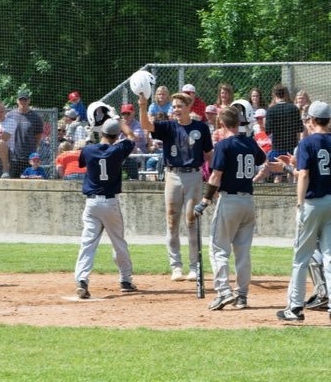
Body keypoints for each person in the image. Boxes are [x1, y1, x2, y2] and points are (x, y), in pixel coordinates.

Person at [194, 106, 266, 311]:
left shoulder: (224, 145)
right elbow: (261, 159)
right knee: (243, 251)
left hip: (229, 201)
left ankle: (224, 291)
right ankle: (242, 296)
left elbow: (215, 176)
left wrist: (205, 200)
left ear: (222, 124)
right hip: (248, 201)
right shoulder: (250, 142)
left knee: (218, 249)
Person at [139, 92, 213, 282]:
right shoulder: (169, 126)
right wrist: (142, 106)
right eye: (174, 106)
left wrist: (213, 178)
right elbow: (146, 126)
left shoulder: (201, 127)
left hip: (194, 175)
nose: (176, 110)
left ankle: (194, 267)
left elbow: (209, 154)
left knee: (191, 220)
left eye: (180, 106)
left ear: (189, 107)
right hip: (172, 174)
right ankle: (176, 266)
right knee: (172, 219)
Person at [276, 101, 331, 322]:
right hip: (330, 201)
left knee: (301, 257)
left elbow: (305, 175)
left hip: (312, 202)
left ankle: (295, 307)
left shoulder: (308, 142)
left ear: (312, 120)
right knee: (329, 255)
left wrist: (299, 204)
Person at [74, 118, 137, 299]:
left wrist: (92, 136)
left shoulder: (88, 149)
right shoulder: (117, 150)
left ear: (102, 133)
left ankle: (82, 280)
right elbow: (131, 136)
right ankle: (125, 280)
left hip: (91, 204)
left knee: (87, 243)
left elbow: (82, 160)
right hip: (110, 203)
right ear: (116, 135)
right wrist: (120, 121)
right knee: (118, 242)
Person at [265, 84, 303, 182]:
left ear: (274, 95)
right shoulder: (293, 108)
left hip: (277, 147)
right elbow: (300, 129)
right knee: (292, 172)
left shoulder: (271, 110)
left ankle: (277, 196)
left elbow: (267, 131)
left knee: (278, 175)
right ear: (285, 94)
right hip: (291, 146)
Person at [7, 90, 44, 178]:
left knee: (30, 181)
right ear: (17, 101)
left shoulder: (36, 117)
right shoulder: (10, 115)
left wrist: (34, 148)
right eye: (21, 100)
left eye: (25, 100)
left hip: (30, 157)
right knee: (13, 181)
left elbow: (38, 136)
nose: (23, 102)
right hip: (14, 156)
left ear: (29, 101)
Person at [119, 103, 147, 180]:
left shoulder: (137, 124)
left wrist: (124, 128)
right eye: (123, 114)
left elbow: (134, 138)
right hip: (124, 154)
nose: (125, 116)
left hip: (138, 154)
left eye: (128, 113)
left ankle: (134, 179)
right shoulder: (118, 125)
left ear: (133, 113)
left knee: (133, 147)